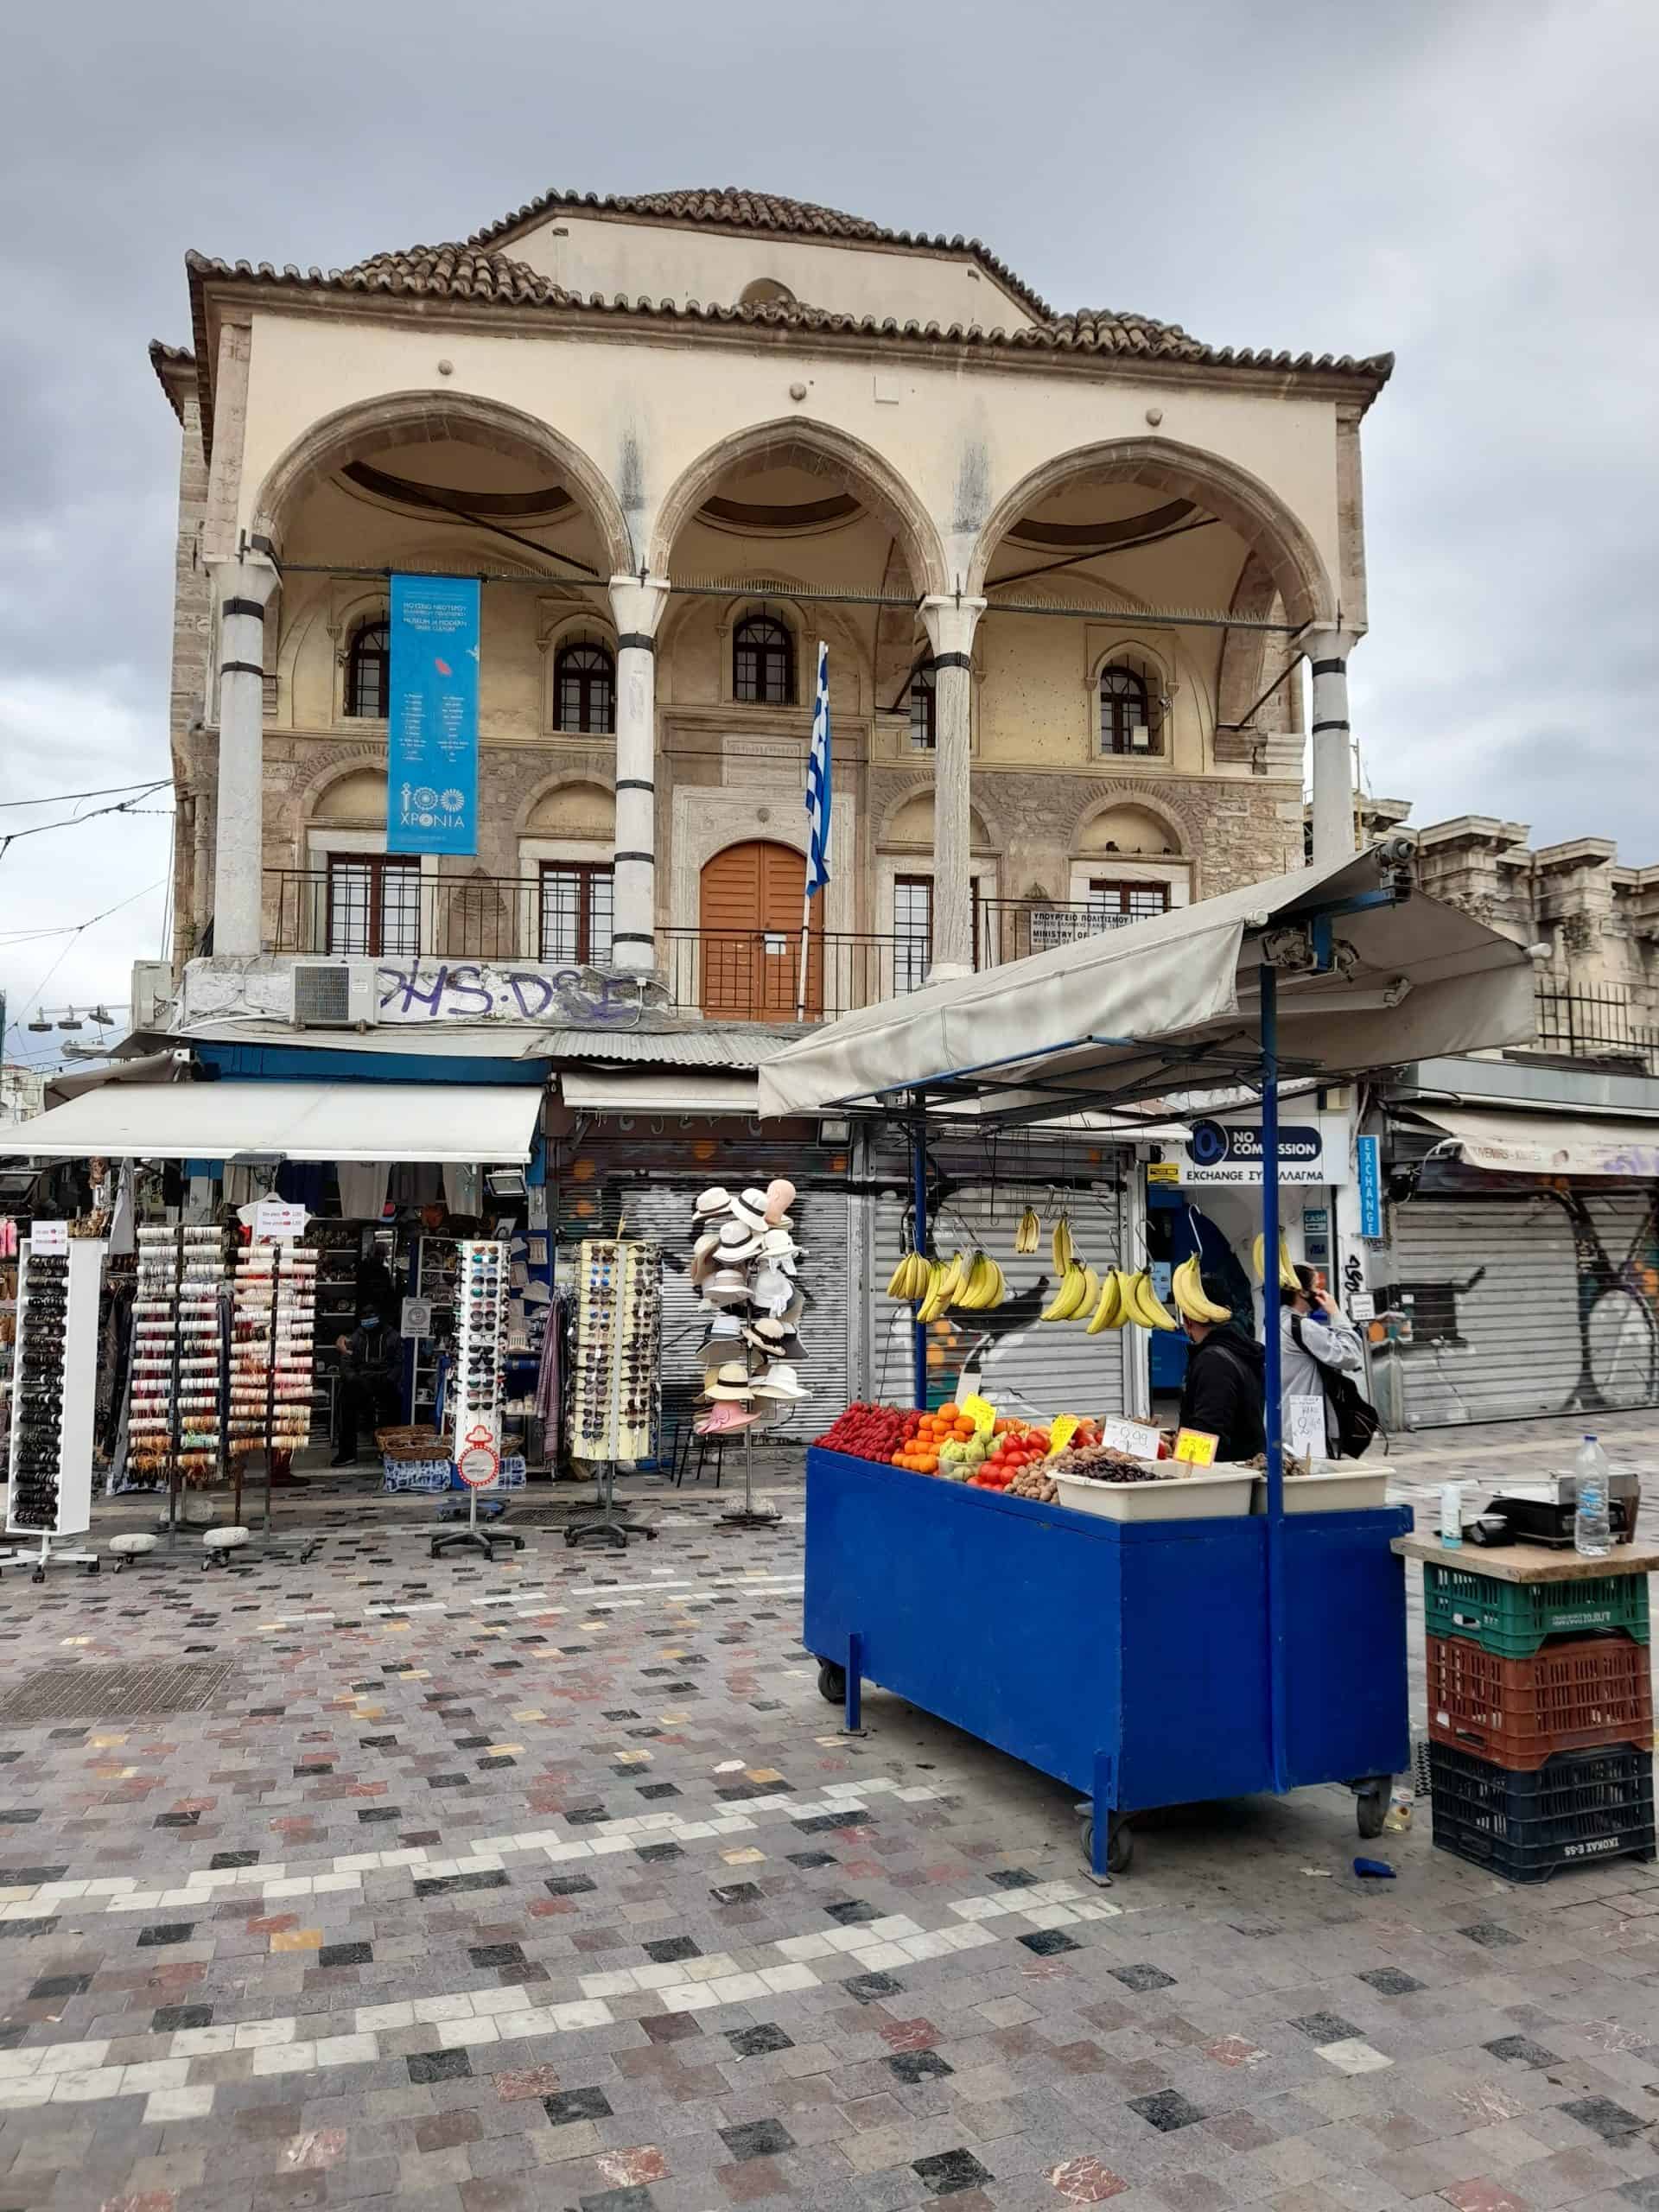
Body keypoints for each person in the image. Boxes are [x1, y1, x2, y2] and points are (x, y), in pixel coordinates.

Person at [1177, 1270, 1267, 1461]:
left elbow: (1207, 1433)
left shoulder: (1213, 1361)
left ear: (1187, 1319)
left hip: (1224, 1479)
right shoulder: (1238, 1349)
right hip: (1243, 1468)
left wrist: (1180, 1456)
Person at [1281, 1263, 1365, 1454]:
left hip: (1283, 1422)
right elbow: (1350, 1356)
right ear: (1302, 1292)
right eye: (1317, 1286)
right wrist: (1335, 1313)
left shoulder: (1273, 1324)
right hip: (1305, 1427)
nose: (1322, 1292)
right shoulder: (1302, 1326)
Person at [333, 1308, 403, 1466]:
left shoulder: (393, 1337)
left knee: (393, 1404)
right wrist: (354, 1379)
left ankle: (389, 1450)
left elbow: (399, 1363)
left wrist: (390, 1379)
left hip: (385, 1379)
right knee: (345, 1402)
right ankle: (347, 1453)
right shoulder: (356, 1338)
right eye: (365, 1319)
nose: (368, 1322)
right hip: (361, 1380)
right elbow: (346, 1363)